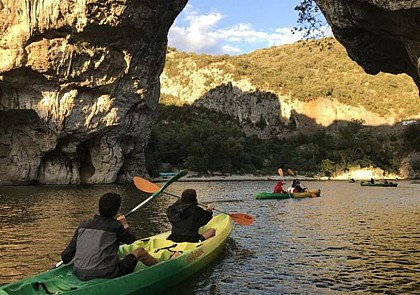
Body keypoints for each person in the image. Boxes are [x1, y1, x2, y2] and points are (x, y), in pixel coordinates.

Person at [61, 193, 158, 281]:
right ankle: (161, 267)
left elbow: (65, 257)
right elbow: (131, 239)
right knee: (140, 251)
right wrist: (124, 224)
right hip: (106, 273)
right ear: (116, 211)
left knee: (118, 254)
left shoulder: (83, 225)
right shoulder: (115, 226)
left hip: (79, 272)